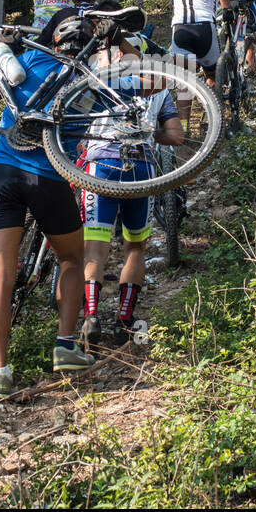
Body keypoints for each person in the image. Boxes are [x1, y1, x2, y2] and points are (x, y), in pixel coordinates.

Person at [0, 15, 99, 397]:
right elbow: (81, 135)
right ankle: (64, 346)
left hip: (4, 172)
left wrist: (7, 54)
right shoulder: (86, 84)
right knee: (72, 259)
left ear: (52, 38)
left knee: (0, 272)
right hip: (49, 180)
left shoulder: (26, 61)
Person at [78, 36, 186, 346]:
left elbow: (78, 117)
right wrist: (153, 134)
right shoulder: (160, 89)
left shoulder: (102, 80)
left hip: (101, 167)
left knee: (95, 250)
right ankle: (124, 319)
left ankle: (92, 315)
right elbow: (176, 137)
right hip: (142, 170)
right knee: (135, 249)